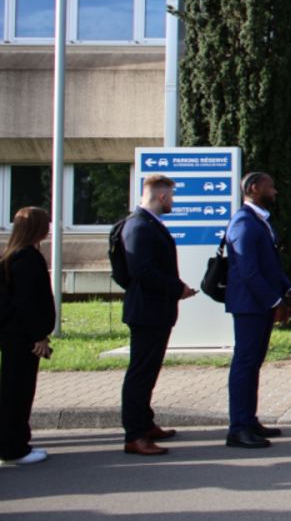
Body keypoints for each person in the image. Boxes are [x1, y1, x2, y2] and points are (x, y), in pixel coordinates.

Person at [120, 174, 196, 456]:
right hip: (147, 311)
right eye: (172, 197)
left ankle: (145, 422)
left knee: (148, 371)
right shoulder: (139, 225)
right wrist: (178, 288)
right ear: (162, 196)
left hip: (155, 310)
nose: (173, 202)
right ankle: (134, 435)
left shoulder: (148, 223)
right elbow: (141, 270)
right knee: (140, 373)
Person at [224, 172, 291, 449]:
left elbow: (271, 265)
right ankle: (238, 427)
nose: (275, 191)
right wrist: (275, 301)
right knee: (244, 363)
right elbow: (249, 271)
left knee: (253, 363)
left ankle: (248, 419)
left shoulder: (259, 222)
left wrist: (288, 289)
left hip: (260, 305)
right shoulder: (243, 222)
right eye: (271, 186)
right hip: (249, 306)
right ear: (254, 188)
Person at [0, 207, 54, 465]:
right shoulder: (26, 257)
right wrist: (39, 336)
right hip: (21, 336)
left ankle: (18, 442)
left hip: (16, 333)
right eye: (46, 223)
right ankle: (13, 448)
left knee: (17, 389)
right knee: (18, 391)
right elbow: (27, 302)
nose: (49, 227)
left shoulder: (15, 254)